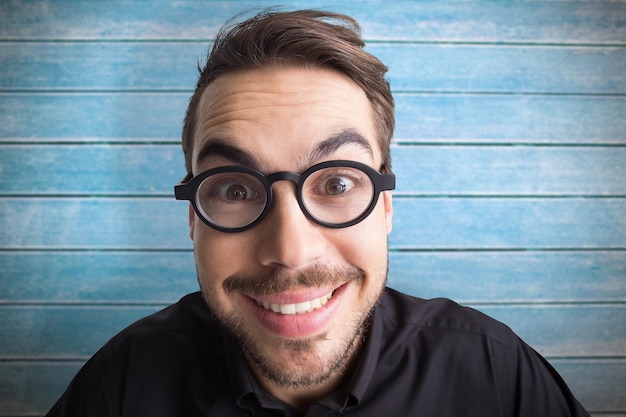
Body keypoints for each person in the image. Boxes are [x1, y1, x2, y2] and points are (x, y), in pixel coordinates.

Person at [47, 9, 590, 417]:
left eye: (337, 182)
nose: (290, 251)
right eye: (234, 190)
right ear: (193, 219)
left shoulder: (495, 373)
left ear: (385, 208)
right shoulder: (123, 383)